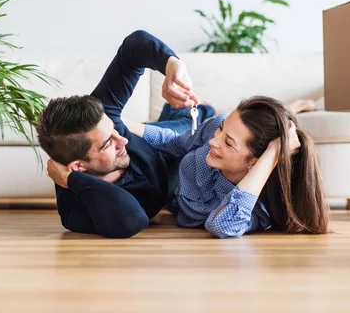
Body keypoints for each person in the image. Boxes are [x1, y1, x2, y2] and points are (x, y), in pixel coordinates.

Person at [36, 30, 209, 238]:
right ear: (78, 166)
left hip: (161, 146)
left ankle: (197, 110)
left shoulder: (102, 115)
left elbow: (133, 47)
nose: (123, 139)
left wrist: (172, 65)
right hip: (172, 182)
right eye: (108, 143)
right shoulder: (75, 210)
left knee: (194, 119)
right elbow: (133, 220)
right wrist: (71, 180)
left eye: (114, 130)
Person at [126, 96, 329, 238]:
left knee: (177, 118)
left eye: (229, 143)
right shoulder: (216, 128)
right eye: (221, 131)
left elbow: (220, 226)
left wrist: (272, 154)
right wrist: (122, 123)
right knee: (180, 120)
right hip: (176, 161)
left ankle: (294, 107)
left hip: (168, 193)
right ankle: (204, 109)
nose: (214, 142)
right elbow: (179, 144)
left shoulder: (255, 207)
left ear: (256, 162)